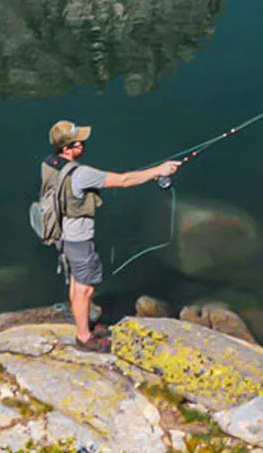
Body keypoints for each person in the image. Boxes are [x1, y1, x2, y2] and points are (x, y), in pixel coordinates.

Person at [43, 120, 179, 351]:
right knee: (85, 288)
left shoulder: (49, 164)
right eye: (79, 143)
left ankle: (82, 325)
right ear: (67, 148)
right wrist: (159, 170)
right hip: (79, 239)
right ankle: (84, 337)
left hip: (62, 234)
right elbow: (124, 180)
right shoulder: (81, 174)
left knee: (77, 282)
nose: (84, 145)